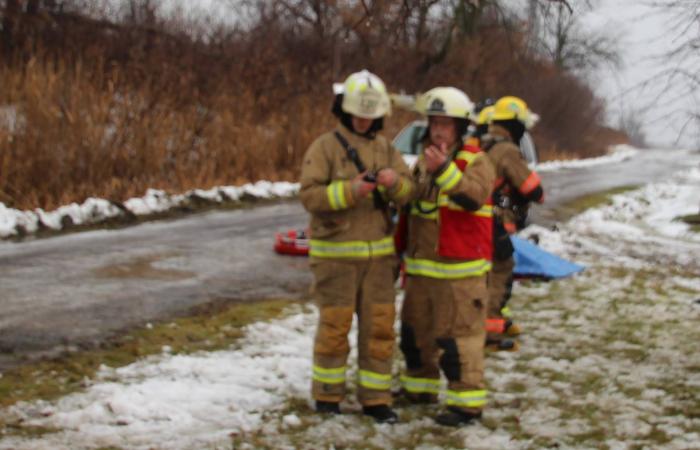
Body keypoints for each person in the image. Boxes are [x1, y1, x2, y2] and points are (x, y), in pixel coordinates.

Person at [299, 69, 414, 424]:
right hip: (335, 262)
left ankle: (376, 399)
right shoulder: (325, 147)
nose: (365, 120)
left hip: (378, 263)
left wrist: (395, 183)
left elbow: (409, 193)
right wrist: (349, 191)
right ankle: (327, 396)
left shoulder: (386, 149)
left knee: (379, 330)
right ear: (346, 109)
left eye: (371, 113)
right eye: (359, 112)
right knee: (334, 329)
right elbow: (309, 195)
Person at [397, 86, 496, 427]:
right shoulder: (423, 163)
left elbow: (474, 196)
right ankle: (419, 390)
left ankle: (466, 404)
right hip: (423, 271)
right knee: (416, 335)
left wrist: (444, 172)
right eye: (434, 123)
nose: (438, 130)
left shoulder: (477, 161)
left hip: (461, 274)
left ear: (461, 127)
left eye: (446, 124)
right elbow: (411, 207)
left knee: (459, 341)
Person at [481, 96, 544, 349]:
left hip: (481, 221)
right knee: (500, 274)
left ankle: (494, 323)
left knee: (487, 276)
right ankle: (490, 332)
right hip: (495, 223)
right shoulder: (507, 150)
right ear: (515, 125)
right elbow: (533, 189)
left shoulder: (486, 145)